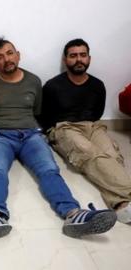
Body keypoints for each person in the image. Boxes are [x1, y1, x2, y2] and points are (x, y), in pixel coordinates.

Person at [0, 36, 117, 239]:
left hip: (31, 136)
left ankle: (74, 213)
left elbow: (37, 112)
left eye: (10, 53)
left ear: (18, 56)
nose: (6, 59)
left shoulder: (33, 81)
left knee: (49, 170)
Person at [39, 38, 131, 224]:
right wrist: (53, 135)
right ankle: (127, 193)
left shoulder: (97, 85)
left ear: (89, 58)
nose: (78, 59)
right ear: (66, 60)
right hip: (63, 127)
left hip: (92, 126)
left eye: (83, 55)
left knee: (112, 154)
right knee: (90, 154)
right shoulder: (53, 86)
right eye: (73, 56)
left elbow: (96, 113)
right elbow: (44, 117)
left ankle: (120, 204)